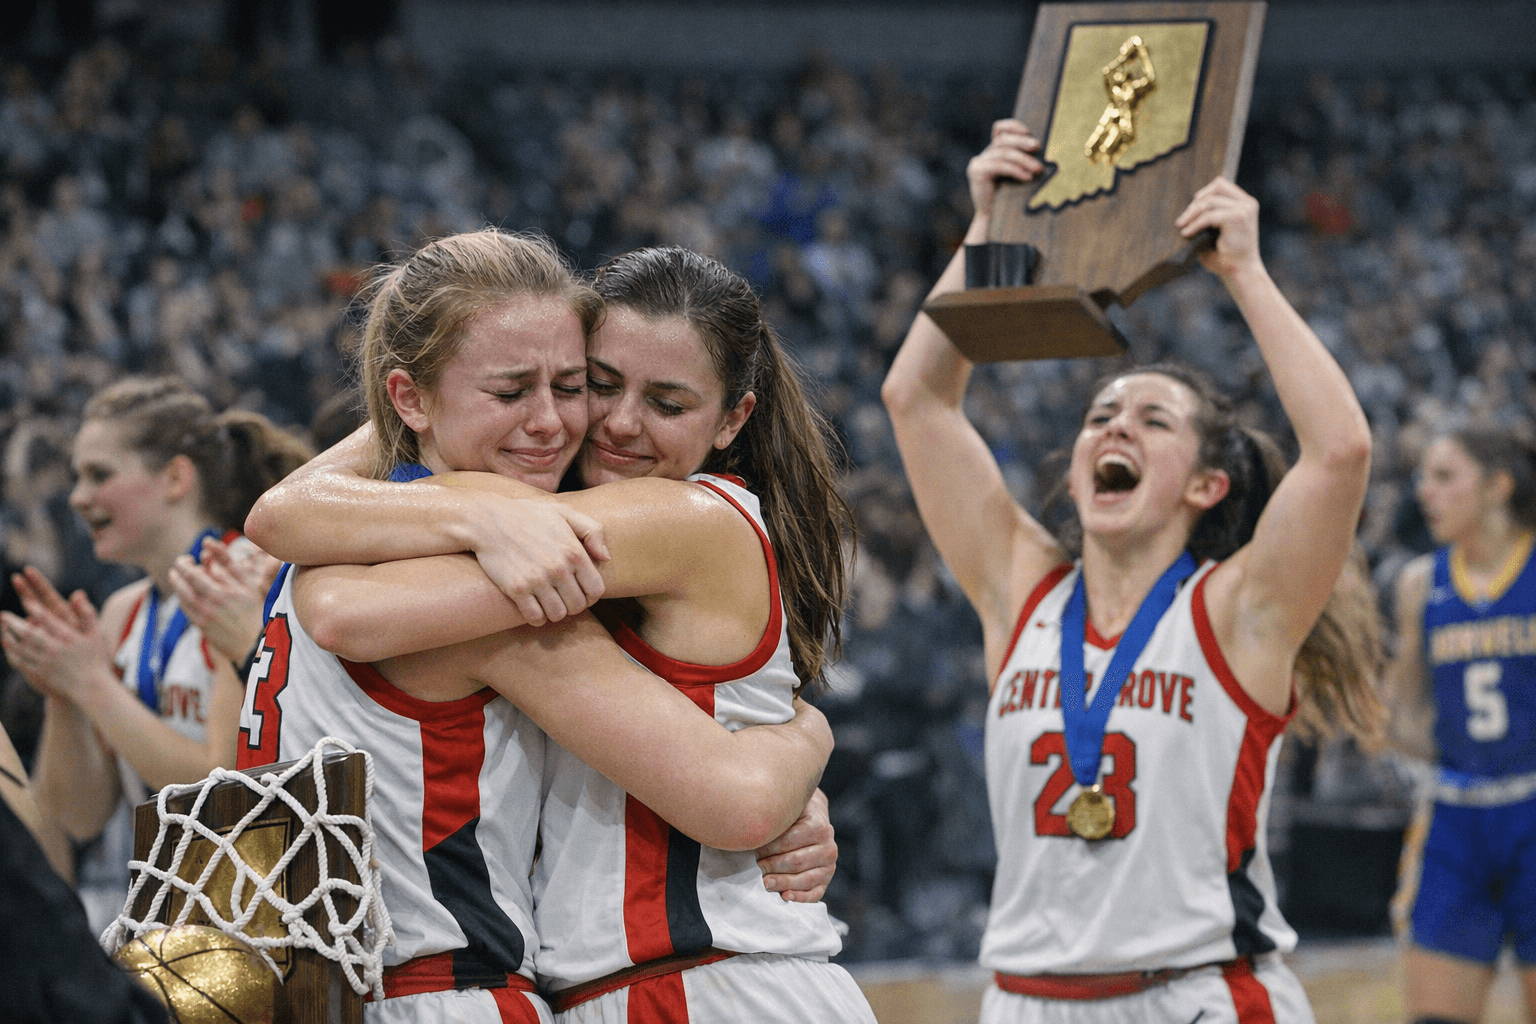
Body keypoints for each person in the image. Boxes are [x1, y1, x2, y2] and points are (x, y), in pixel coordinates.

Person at [239, 230, 846, 1023]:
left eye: (569, 386)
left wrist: (805, 740)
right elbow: (322, 580)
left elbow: (328, 584)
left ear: (733, 420)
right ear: (409, 397)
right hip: (471, 987)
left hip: (696, 979)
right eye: (598, 383)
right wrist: (805, 736)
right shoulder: (423, 531)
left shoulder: (662, 513)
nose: (590, 423)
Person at [881, 119, 1381, 1023]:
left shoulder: (1235, 610)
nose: (1115, 426)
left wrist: (1245, 273)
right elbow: (915, 398)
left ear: (1206, 483)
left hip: (1196, 993)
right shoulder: (1021, 587)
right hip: (1027, 998)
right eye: (1101, 414)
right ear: (1074, 471)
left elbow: (1340, 451)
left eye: (1153, 419)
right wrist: (984, 230)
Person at [0, 377, 311, 929]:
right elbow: (79, 814)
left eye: (99, 474)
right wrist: (66, 692)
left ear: (174, 478)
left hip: (259, 904)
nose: (77, 496)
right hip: (158, 914)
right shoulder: (123, 611)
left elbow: (224, 783)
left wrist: (94, 684)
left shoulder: (247, 580)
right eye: (76, 476)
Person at [1385, 425, 1536, 1024]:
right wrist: (1365, 707)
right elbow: (1407, 718)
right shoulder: (1419, 584)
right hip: (1456, 819)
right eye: (1423, 477)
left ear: (1498, 486)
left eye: (1445, 477)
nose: (1426, 492)